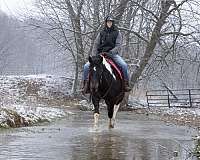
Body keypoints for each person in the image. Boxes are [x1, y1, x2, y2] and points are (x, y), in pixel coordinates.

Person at [82, 15, 131, 94]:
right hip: (100, 55)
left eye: (111, 22)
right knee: (86, 66)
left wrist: (111, 52)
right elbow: (96, 44)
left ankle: (125, 84)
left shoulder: (117, 33)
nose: (109, 23)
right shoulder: (101, 33)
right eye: (108, 22)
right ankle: (85, 85)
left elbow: (118, 45)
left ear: (113, 23)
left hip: (113, 54)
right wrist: (95, 55)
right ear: (106, 23)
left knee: (124, 65)